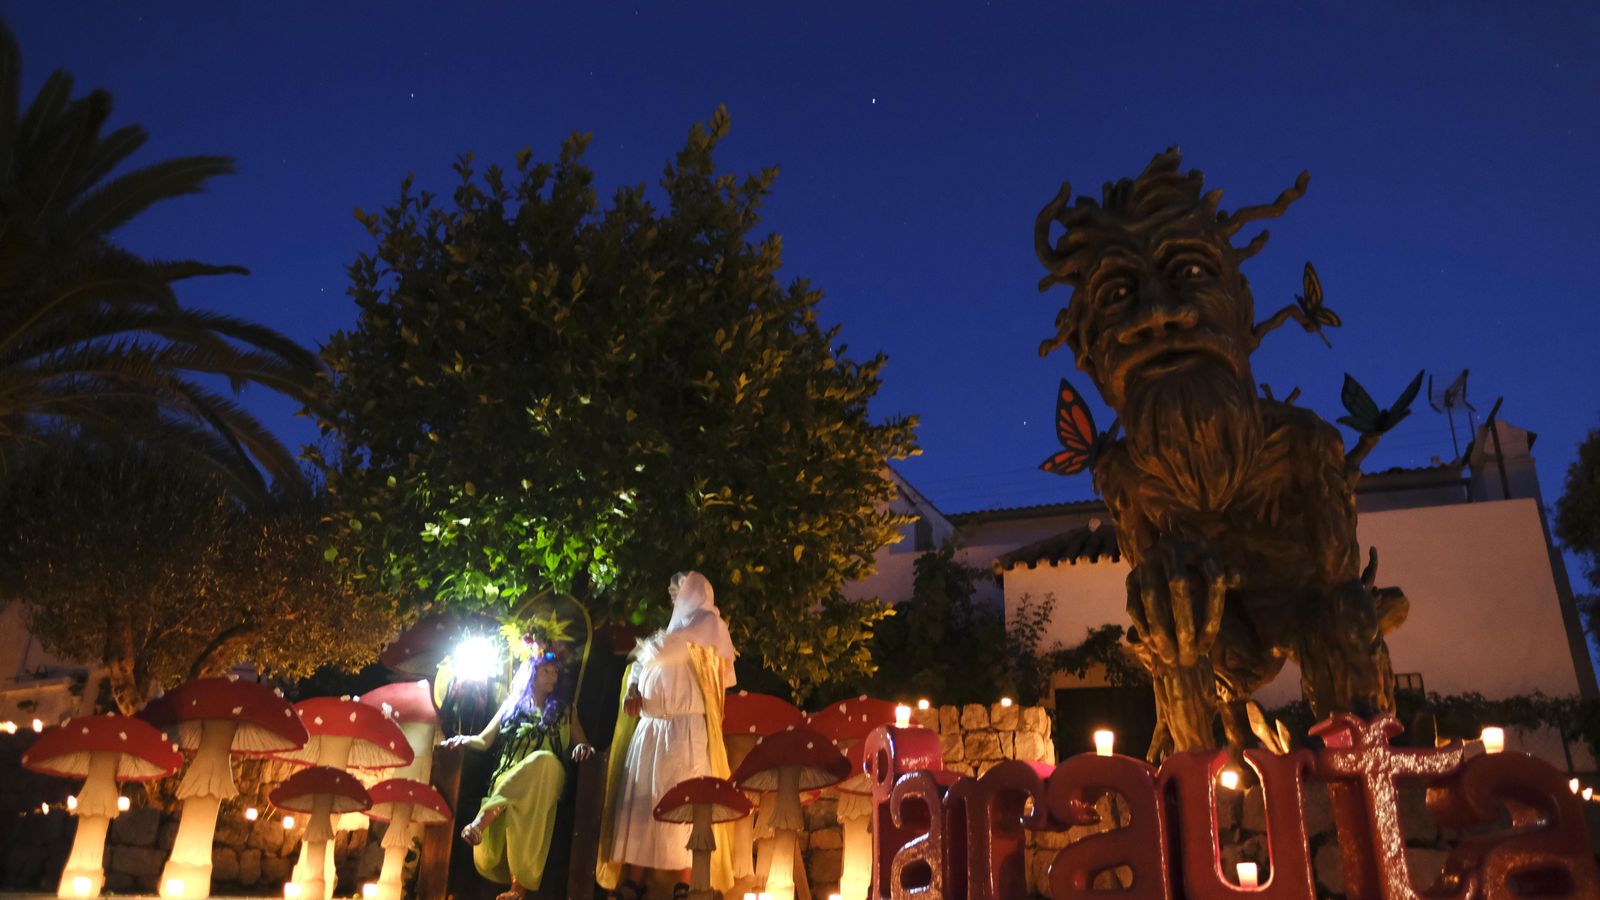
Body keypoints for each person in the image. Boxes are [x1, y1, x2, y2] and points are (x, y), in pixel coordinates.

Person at [597, 571, 738, 900]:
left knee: (684, 805)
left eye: (678, 594)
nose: (673, 600)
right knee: (641, 805)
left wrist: (644, 658)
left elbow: (659, 651)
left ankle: (685, 883)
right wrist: (633, 688)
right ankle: (634, 881)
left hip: (685, 732)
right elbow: (638, 664)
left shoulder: (707, 626)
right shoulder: (672, 635)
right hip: (651, 729)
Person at [444, 645, 594, 900]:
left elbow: (584, 743)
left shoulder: (566, 710)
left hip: (550, 776)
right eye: (546, 671)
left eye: (555, 672)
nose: (552, 677)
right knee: (524, 802)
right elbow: (483, 740)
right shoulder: (510, 705)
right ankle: (518, 887)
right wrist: (461, 739)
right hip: (509, 775)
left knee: (543, 759)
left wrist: (582, 747)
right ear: (530, 674)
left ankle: (483, 819)